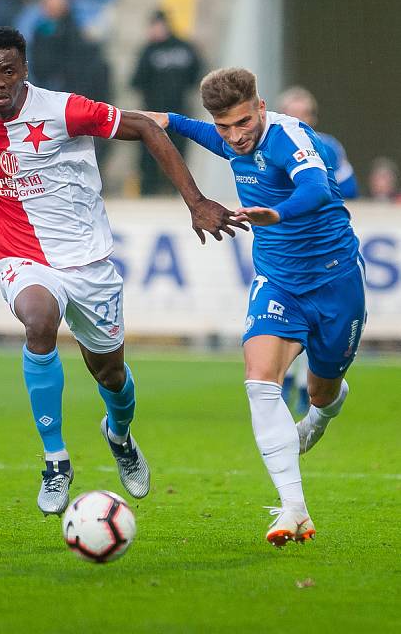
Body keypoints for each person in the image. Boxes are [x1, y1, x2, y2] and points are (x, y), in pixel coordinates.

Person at [0, 27, 245, 518]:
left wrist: (195, 201)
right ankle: (56, 462)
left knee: (110, 374)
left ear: (25, 70)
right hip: (22, 255)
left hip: (89, 262)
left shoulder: (64, 110)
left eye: (8, 70)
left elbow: (149, 129)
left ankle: (118, 435)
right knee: (38, 321)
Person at [142, 67, 366, 546]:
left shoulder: (290, 137)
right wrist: (161, 120)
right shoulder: (226, 137)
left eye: (243, 123)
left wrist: (277, 213)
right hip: (278, 282)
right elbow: (193, 129)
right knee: (259, 381)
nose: (235, 137)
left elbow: (317, 189)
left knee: (324, 392)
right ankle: (293, 508)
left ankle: (323, 413)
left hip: (335, 282)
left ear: (260, 107)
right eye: (225, 126)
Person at [276, 85, 359, 414]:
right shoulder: (270, 144)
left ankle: (302, 384)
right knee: (286, 313)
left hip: (322, 245)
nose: (298, 120)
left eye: (303, 114)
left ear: (312, 117)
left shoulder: (327, 146)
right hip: (286, 245)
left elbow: (349, 186)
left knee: (318, 316)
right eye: (291, 113)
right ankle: (287, 380)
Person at [131, 10, 203, 194]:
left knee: (169, 153)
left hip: (172, 113)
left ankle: (169, 190)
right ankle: (153, 191)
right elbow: (137, 80)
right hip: (158, 113)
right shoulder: (157, 49)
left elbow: (197, 76)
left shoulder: (159, 49)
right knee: (154, 155)